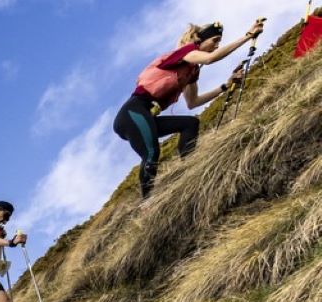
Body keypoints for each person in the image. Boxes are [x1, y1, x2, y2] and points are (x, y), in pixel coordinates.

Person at [113, 18, 266, 200]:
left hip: (145, 115)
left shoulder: (192, 71)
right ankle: (146, 203)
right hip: (132, 113)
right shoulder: (185, 53)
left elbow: (193, 102)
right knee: (152, 153)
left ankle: (188, 169)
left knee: (190, 123)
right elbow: (210, 59)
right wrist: (248, 37)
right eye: (214, 41)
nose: (216, 46)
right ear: (200, 41)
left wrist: (225, 86)